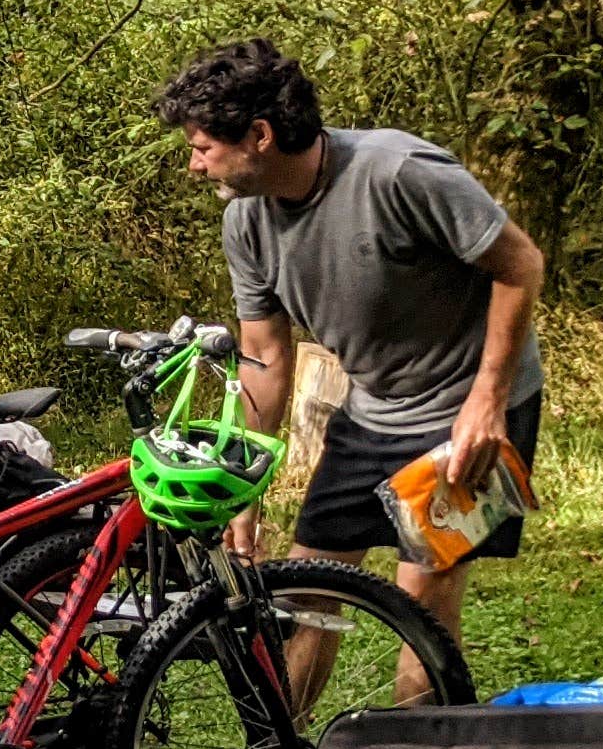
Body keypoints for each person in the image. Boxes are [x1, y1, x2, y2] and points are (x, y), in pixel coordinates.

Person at [154, 38, 545, 657]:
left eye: (203, 148)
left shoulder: (399, 172)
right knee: (305, 593)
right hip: (373, 410)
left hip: (465, 406)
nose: (194, 166)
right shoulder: (246, 223)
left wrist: (488, 401)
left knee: (422, 602)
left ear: (260, 136)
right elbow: (265, 358)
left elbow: (520, 264)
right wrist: (243, 489)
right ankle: (284, 730)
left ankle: (427, 725)